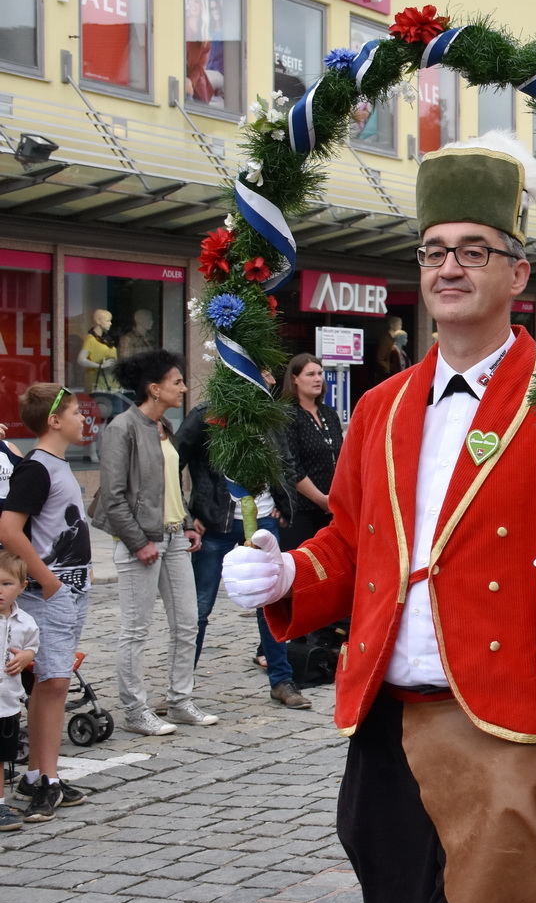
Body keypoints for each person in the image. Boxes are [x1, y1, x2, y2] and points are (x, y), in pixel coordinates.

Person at [222, 131, 536, 903]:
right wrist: (288, 569)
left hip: (504, 727)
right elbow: (353, 549)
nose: (451, 266)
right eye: (435, 250)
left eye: (476, 248)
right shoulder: (382, 407)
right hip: (386, 737)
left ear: (517, 271)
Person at [92, 351, 216, 736]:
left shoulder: (163, 426)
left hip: (175, 536)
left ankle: (180, 701)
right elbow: (112, 496)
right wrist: (136, 541)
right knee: (136, 629)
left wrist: (187, 520)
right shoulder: (123, 428)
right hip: (142, 543)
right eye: (176, 381)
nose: (183, 388)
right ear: (154, 388)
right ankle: (135, 710)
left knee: (187, 623)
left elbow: (170, 483)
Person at [0, 385, 95, 821]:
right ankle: (48, 781)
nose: (83, 419)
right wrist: (47, 579)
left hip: (71, 589)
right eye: (76, 412)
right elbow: (9, 529)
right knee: (54, 681)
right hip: (52, 592)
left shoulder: (54, 465)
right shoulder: (37, 468)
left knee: (53, 681)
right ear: (54, 420)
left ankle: (39, 773)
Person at [177, 391, 307, 710]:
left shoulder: (268, 414)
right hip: (214, 523)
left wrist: (282, 503)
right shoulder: (206, 413)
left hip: (263, 521)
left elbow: (286, 462)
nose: (263, 378)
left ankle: (281, 680)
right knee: (200, 607)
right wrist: (186, 515)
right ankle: (179, 688)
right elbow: (170, 460)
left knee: (270, 601)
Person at [279, 354, 345, 551]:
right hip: (302, 511)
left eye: (319, 373)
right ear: (294, 379)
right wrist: (321, 500)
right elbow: (291, 466)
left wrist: (335, 499)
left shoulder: (329, 414)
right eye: (310, 374)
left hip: (332, 510)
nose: (317, 379)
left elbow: (342, 459)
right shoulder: (287, 415)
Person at [0, 550, 38, 830]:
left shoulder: (26, 622)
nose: (0, 591)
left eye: (6, 584)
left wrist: (25, 656)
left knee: (0, 758)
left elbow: (31, 648)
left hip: (6, 703)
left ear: (22, 586)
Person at [78, 309, 119, 394]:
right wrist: (101, 365)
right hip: (97, 384)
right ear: (98, 321)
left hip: (112, 384)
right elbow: (81, 360)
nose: (110, 323)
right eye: (107, 321)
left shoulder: (107, 340)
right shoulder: (91, 339)